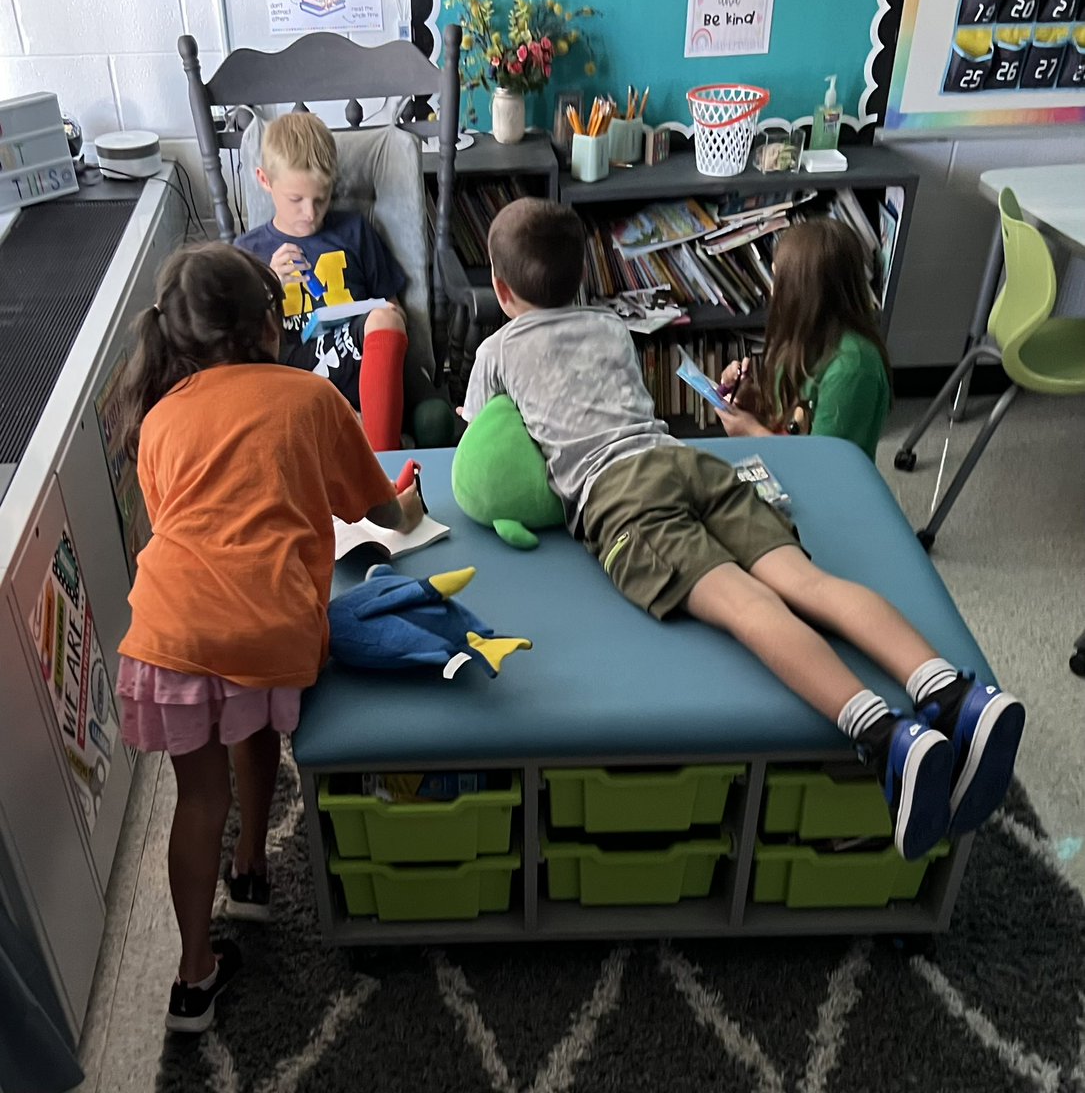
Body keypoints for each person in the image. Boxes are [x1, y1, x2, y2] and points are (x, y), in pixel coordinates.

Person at [463, 198, 1025, 864]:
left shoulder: (496, 350)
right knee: (807, 582)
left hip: (620, 498)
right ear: (584, 276)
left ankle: (885, 739)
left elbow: (486, 448)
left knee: (745, 606)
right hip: (684, 461)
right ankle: (951, 691)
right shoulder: (610, 325)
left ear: (501, 289)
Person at [115, 242, 422, 1033]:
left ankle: (192, 978)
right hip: (269, 627)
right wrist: (408, 505)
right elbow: (380, 514)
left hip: (167, 632)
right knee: (253, 720)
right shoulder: (309, 399)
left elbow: (180, 525)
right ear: (269, 327)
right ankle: (250, 872)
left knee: (196, 797)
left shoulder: (158, 419)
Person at [236, 111, 418, 451]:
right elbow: (236, 347)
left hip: (352, 365)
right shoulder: (247, 252)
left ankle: (381, 456)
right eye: (296, 200)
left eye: (321, 199)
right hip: (289, 375)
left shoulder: (354, 231)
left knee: (386, 317)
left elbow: (395, 311)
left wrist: (378, 315)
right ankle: (335, 428)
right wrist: (268, 286)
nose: (309, 212)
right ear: (264, 180)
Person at [717, 217, 891, 462]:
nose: (772, 291)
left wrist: (751, 432)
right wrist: (752, 402)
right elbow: (788, 422)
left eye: (779, 281)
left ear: (807, 294)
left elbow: (821, 465)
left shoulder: (852, 368)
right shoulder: (800, 337)